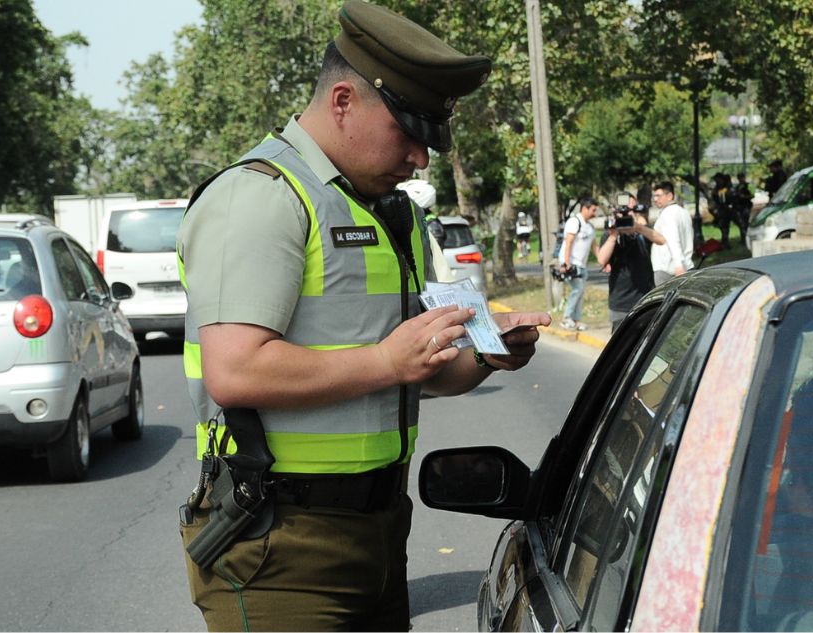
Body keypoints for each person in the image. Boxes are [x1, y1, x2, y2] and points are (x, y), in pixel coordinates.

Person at [175, 3, 551, 630]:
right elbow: (235, 372)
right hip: (280, 544)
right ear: (344, 101)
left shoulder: (381, 208)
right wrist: (385, 360)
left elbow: (417, 371)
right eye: (408, 132)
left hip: (378, 527)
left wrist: (486, 354)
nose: (422, 159)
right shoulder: (263, 197)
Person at [597, 195, 665, 332]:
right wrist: (614, 234)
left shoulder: (642, 231)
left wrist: (638, 228)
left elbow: (661, 240)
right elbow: (601, 260)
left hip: (646, 299)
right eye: (623, 210)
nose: (626, 213)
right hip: (621, 303)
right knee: (622, 348)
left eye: (630, 209)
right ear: (615, 211)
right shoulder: (610, 234)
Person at [558, 196, 599, 331]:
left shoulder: (590, 227)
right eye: (593, 210)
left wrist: (603, 261)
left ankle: (576, 320)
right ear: (584, 208)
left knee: (580, 292)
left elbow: (594, 246)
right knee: (577, 289)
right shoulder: (574, 222)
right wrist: (566, 262)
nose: (595, 213)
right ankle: (566, 318)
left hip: (582, 265)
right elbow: (568, 242)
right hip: (571, 263)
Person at [649, 181, 695, 285]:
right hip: (687, 266)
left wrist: (678, 265)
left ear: (669, 196)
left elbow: (673, 240)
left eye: (658, 196)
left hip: (669, 270)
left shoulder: (668, 214)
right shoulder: (684, 212)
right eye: (654, 196)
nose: (655, 199)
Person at [710, 172, 737, 249]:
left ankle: (742, 239)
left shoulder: (727, 187)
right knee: (723, 227)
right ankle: (725, 242)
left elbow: (730, 196)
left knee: (739, 224)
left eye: (718, 180)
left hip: (730, 209)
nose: (717, 181)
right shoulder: (718, 187)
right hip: (722, 210)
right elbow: (715, 196)